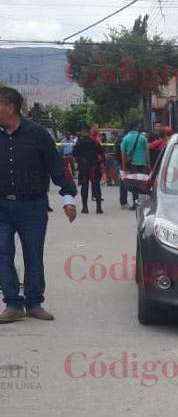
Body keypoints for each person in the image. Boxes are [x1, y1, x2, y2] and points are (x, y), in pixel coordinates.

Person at [0, 87, 77, 323]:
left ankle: (34, 303)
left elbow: (57, 167)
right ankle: (12, 303)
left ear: (10, 107)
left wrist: (68, 198)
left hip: (32, 207)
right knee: (2, 253)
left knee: (33, 254)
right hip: (2, 206)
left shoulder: (38, 134)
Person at [72, 123, 104, 214]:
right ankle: (99, 208)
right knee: (96, 186)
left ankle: (85, 207)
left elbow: (74, 153)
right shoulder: (94, 142)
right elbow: (101, 154)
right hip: (94, 167)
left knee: (84, 187)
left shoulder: (80, 142)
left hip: (83, 167)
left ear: (83, 132)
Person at [120, 121, 150, 210]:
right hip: (142, 164)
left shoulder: (125, 139)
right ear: (136, 128)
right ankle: (143, 203)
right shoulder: (143, 138)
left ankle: (135, 202)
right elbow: (147, 152)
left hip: (132, 165)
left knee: (134, 184)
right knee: (143, 184)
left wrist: (124, 166)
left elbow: (123, 154)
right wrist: (148, 164)